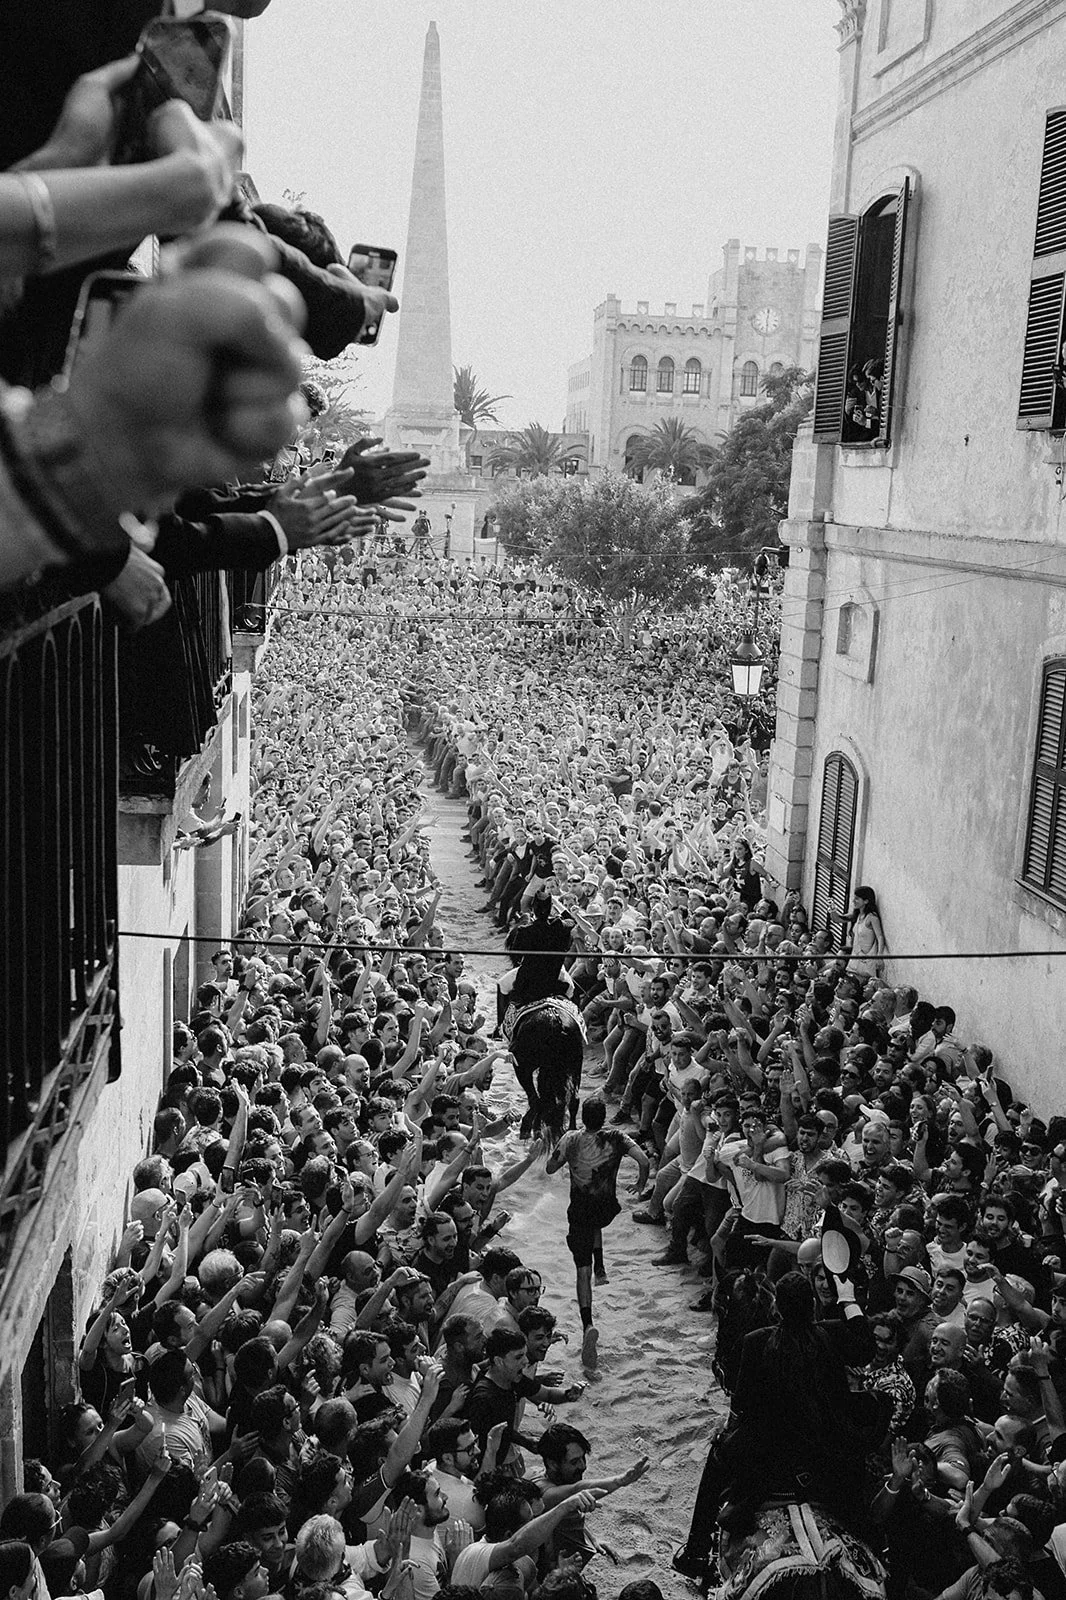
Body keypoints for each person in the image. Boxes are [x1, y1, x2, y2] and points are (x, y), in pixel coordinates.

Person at [546, 1096, 649, 1371]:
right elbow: (644, 1160)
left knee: (582, 1271)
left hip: (579, 1208)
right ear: (603, 1118)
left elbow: (550, 1167)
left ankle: (587, 1323)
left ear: (582, 1117)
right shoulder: (617, 1137)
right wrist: (639, 1184)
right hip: (606, 1208)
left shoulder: (572, 1138)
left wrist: (565, 1153)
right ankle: (601, 1266)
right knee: (595, 1225)